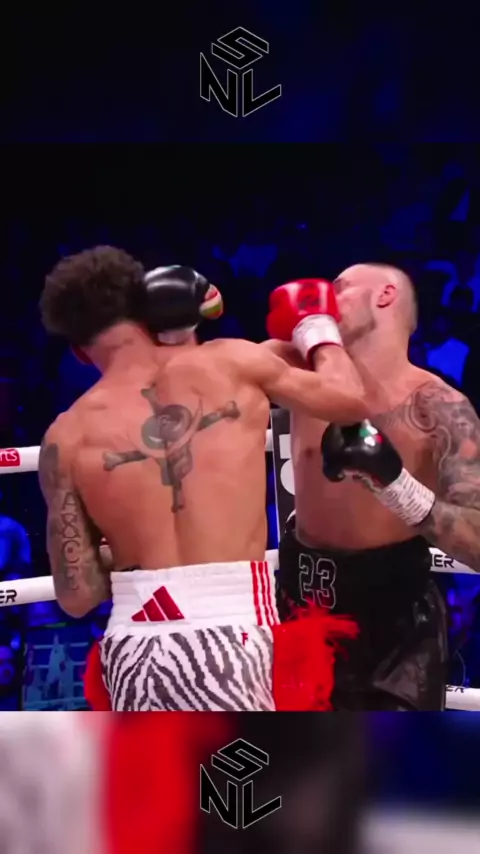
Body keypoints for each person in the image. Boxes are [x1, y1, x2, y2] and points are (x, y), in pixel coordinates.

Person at [38, 246, 366, 712]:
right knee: (244, 762)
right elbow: (350, 400)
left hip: (135, 647)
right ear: (147, 305)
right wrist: (317, 327)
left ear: (78, 351)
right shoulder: (231, 362)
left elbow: (77, 595)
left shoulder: (66, 437)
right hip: (235, 634)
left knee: (158, 765)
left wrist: (126, 545)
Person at [270, 262, 480, 711]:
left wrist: (396, 484)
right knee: (287, 753)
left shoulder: (438, 407)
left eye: (340, 287)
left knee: (390, 757)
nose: (326, 297)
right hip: (298, 607)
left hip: (393, 630)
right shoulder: (301, 378)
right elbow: (210, 383)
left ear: (385, 295)